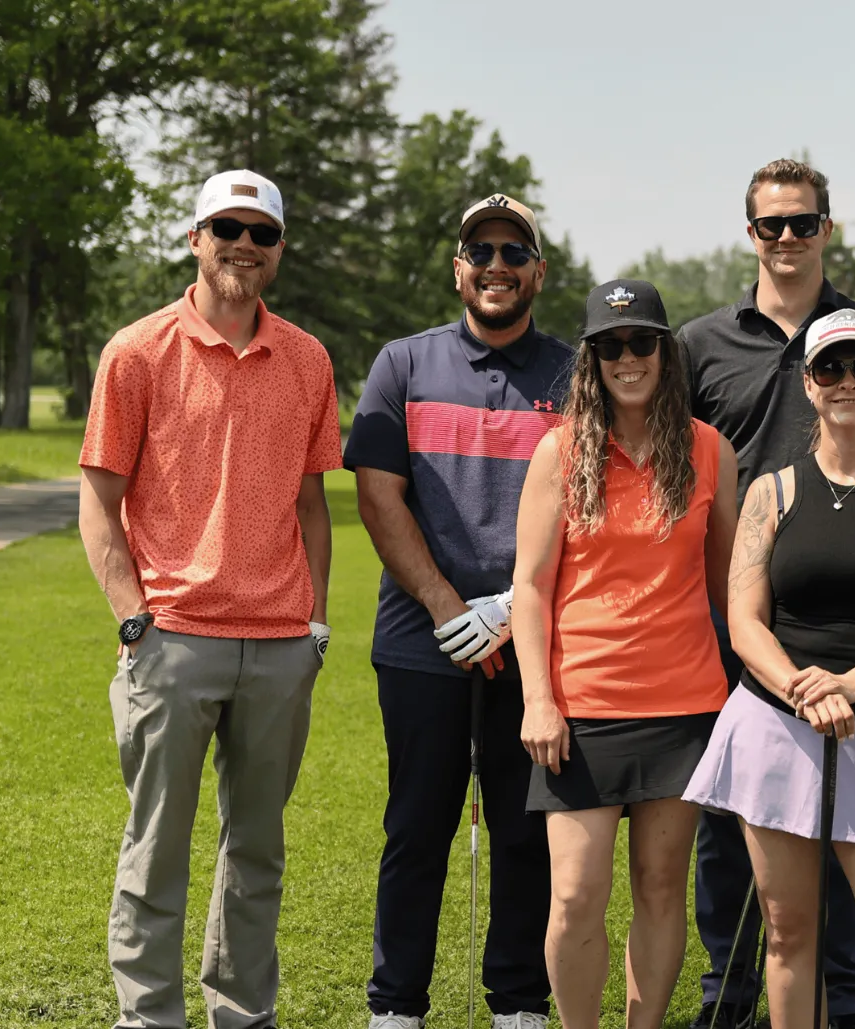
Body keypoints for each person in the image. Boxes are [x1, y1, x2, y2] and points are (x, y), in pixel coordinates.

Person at [78, 169, 339, 1029]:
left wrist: (315, 622)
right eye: (227, 227)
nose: (243, 245)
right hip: (173, 637)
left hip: (280, 643)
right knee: (156, 849)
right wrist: (133, 618)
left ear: (279, 251)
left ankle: (243, 1013)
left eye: (262, 233)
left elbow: (312, 503)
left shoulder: (308, 358)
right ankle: (150, 1016)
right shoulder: (136, 351)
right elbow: (99, 502)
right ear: (195, 238)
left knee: (257, 852)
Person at [679, 157, 855, 1029]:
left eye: (803, 222)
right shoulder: (701, 344)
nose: (788, 237)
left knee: (850, 820)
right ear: (750, 233)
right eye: (771, 224)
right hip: (733, 614)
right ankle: (730, 988)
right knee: (734, 817)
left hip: (854, 617)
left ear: (828, 228)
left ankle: (840, 990)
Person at [344, 194, 572, 1029]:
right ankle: (395, 1005)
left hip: (535, 636)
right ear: (458, 270)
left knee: (525, 828)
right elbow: (379, 497)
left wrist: (511, 607)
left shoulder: (575, 373)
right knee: (416, 826)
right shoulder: (403, 363)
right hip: (421, 639)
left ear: (538, 272)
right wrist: (448, 607)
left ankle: (518, 1002)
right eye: (481, 252)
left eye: (514, 253)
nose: (497, 266)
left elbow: (589, 502)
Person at [510, 279, 739, 1029]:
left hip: (685, 705)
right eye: (610, 347)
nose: (627, 358)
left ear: (665, 352)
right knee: (575, 894)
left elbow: (730, 586)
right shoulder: (559, 451)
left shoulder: (710, 450)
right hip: (582, 708)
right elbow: (530, 586)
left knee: (661, 889)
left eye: (642, 342)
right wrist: (538, 700)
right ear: (592, 360)